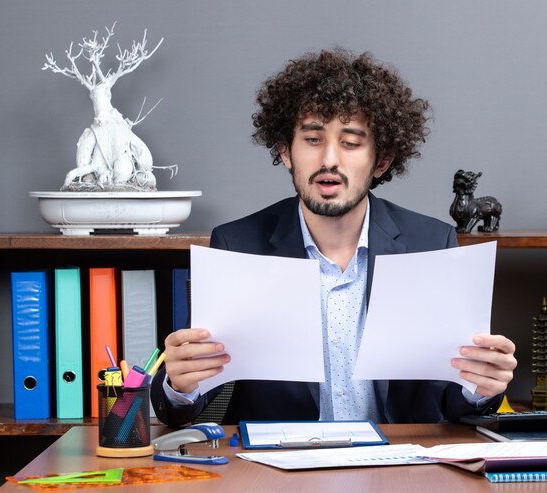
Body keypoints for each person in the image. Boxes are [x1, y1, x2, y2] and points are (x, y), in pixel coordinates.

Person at [151, 48, 517, 427]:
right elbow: (190, 403)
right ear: (285, 151)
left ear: (383, 160)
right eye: (312, 139)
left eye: (351, 142)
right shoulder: (239, 245)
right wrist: (181, 385)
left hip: (400, 468)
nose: (329, 160)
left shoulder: (430, 242)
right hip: (278, 472)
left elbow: (455, 403)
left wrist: (481, 387)